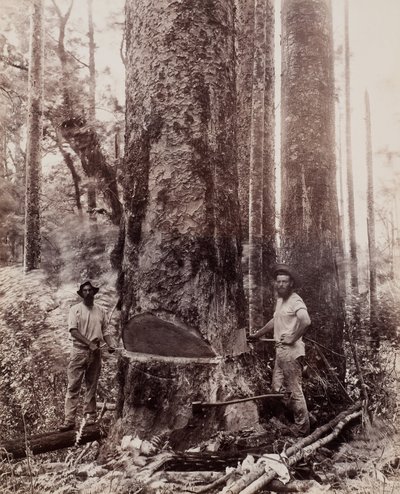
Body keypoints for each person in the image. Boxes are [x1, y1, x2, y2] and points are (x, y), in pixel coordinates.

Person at [248, 264, 311, 436]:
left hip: (291, 351)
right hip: (280, 352)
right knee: (277, 389)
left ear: (291, 284)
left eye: (285, 282)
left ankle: (302, 428)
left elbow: (306, 321)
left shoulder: (295, 300)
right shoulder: (280, 301)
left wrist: (292, 337)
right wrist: (257, 334)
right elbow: (275, 320)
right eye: (279, 281)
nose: (281, 284)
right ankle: (303, 417)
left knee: (294, 390)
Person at [59, 281, 116, 431]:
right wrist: (88, 343)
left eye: (90, 290)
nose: (88, 292)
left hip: (95, 352)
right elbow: (73, 331)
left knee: (92, 385)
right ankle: (69, 420)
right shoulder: (75, 310)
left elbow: (106, 331)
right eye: (84, 290)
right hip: (79, 351)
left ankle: (90, 416)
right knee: (73, 386)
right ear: (81, 293)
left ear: (94, 292)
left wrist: (110, 344)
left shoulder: (100, 311)